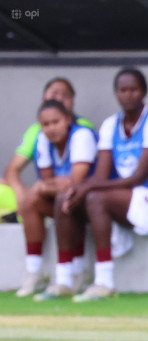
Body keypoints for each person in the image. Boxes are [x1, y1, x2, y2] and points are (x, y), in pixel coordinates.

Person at [59, 68, 148, 302]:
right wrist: (81, 187)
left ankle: (104, 281)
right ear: (116, 93)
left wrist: (88, 187)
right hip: (128, 197)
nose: (128, 95)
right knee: (65, 196)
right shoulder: (109, 125)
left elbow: (137, 178)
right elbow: (101, 176)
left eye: (133, 89)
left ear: (144, 92)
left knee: (95, 197)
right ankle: (67, 277)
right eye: (123, 90)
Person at [14, 100, 97, 299]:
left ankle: (71, 275)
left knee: (62, 198)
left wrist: (48, 185)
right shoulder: (42, 140)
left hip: (92, 202)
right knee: (30, 202)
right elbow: (47, 183)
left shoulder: (82, 135)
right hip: (66, 200)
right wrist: (48, 185)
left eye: (56, 122)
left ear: (67, 119)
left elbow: (75, 183)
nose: (50, 128)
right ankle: (35, 272)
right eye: (45, 124)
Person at [3, 77, 94, 205]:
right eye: (54, 94)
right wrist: (20, 191)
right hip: (50, 190)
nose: (60, 99)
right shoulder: (37, 132)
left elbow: (75, 182)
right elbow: (13, 169)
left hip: (78, 194)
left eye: (65, 95)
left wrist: (41, 188)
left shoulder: (83, 129)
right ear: (43, 99)